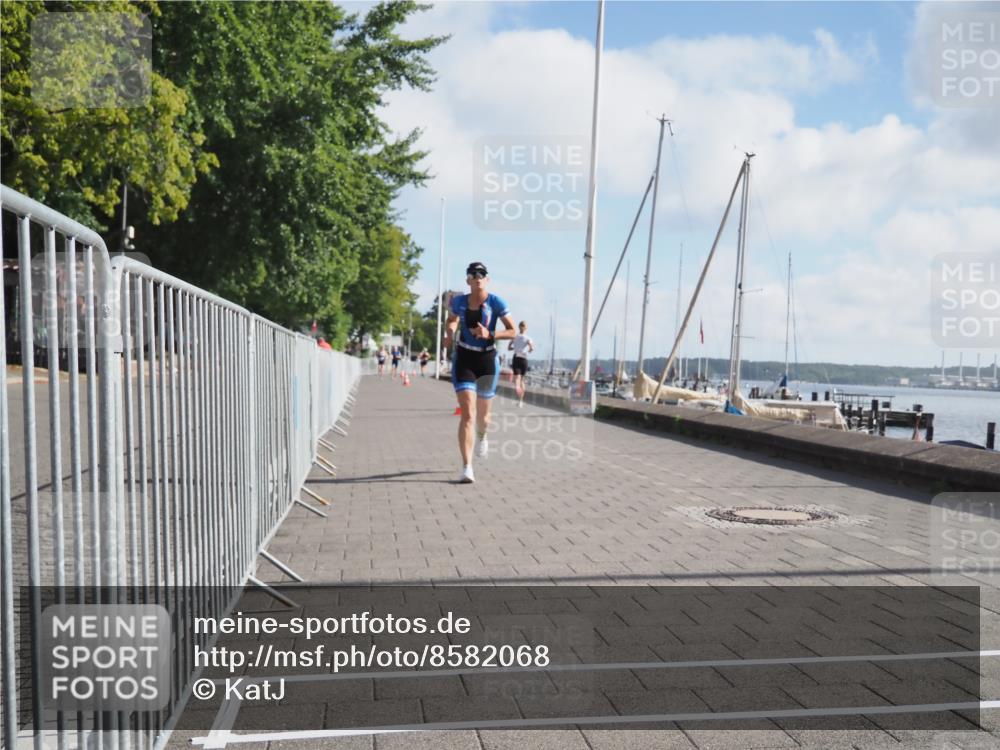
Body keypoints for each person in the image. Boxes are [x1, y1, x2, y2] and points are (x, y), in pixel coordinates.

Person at [443, 261, 515, 483]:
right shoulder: (459, 301)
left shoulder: (496, 302)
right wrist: (449, 333)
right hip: (464, 357)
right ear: (468, 280)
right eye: (473, 274)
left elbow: (512, 331)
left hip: (486, 360)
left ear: (487, 279)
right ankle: (467, 467)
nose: (477, 277)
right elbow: (452, 320)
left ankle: (483, 436)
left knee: (483, 417)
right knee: (468, 414)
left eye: (481, 274)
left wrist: (490, 333)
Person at [508, 321, 534, 408]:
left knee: (519, 381)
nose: (522, 327)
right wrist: (527, 350)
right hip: (523, 359)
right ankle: (520, 401)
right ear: (525, 328)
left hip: (518, 359)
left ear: (519, 327)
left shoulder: (515, 336)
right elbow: (532, 348)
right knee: (520, 380)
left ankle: (520, 399)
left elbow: (509, 348)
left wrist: (515, 348)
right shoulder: (527, 338)